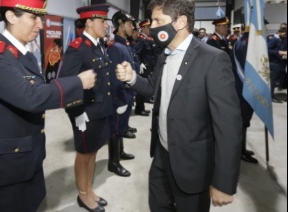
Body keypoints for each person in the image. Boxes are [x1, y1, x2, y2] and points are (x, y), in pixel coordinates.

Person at [0, 0, 96, 211]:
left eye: (41, 17)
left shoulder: (20, 54)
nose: (41, 24)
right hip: (3, 164)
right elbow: (32, 97)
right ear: (11, 17)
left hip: (25, 154)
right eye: (33, 17)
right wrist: (78, 82)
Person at [115, 0, 242, 211]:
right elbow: (153, 88)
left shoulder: (213, 59)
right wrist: (132, 78)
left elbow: (228, 126)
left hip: (192, 167)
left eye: (158, 20)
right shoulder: (164, 56)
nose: (152, 26)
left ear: (181, 21)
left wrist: (224, 182)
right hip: (162, 157)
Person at [57, 4, 112, 212]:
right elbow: (66, 83)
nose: (106, 25)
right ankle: (82, 195)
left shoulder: (98, 45)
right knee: (83, 153)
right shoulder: (78, 48)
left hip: (100, 109)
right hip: (85, 112)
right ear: (89, 22)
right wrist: (76, 112)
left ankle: (89, 190)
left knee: (93, 151)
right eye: (102, 21)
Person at [106, 11, 137, 177]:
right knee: (115, 129)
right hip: (120, 97)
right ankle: (113, 162)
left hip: (127, 93)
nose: (132, 27)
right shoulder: (115, 47)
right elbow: (113, 77)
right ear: (120, 23)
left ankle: (121, 152)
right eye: (129, 23)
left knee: (122, 126)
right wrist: (119, 100)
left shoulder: (125, 45)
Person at [233, 29, 259, 164]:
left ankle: (242, 148)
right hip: (245, 88)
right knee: (243, 120)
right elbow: (246, 68)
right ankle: (240, 151)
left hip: (245, 87)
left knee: (244, 120)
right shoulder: (246, 44)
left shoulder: (244, 41)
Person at [268, 28, 286, 103]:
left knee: (274, 81)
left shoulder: (278, 39)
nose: (285, 36)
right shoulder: (274, 39)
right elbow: (268, 49)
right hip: (274, 63)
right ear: (280, 32)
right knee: (272, 81)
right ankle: (271, 96)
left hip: (277, 62)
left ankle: (272, 95)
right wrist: (278, 52)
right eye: (284, 34)